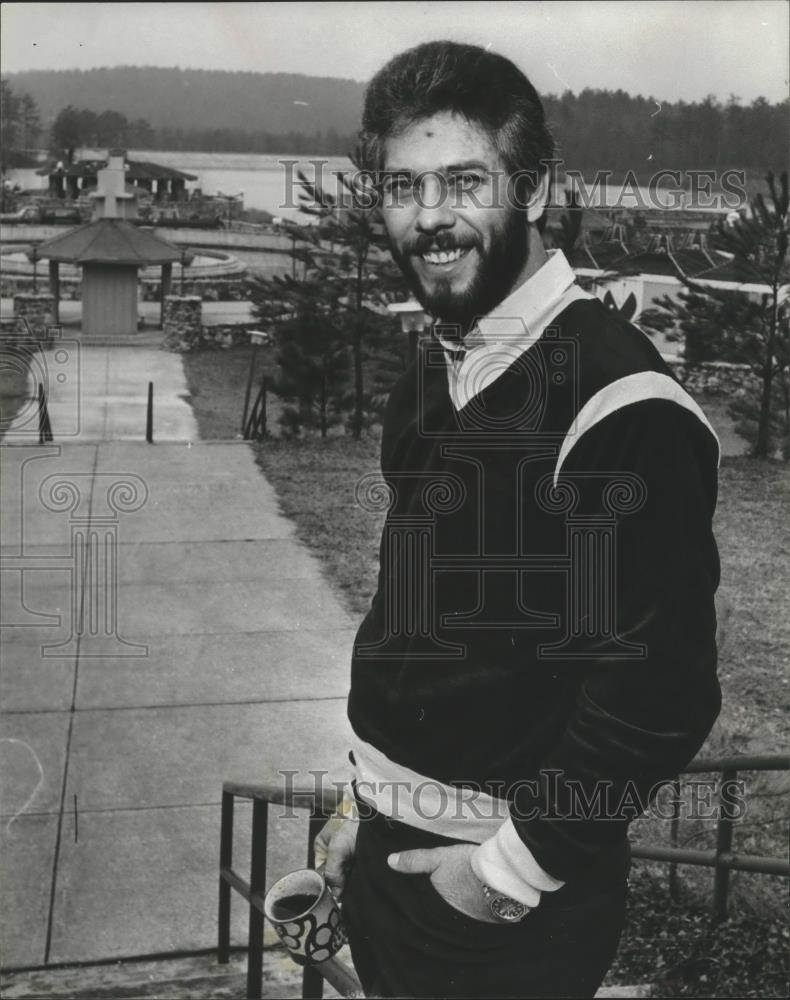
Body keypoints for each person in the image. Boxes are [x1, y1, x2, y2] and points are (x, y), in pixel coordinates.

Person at [315, 40, 721, 998]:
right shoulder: (431, 379)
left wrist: (498, 880)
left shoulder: (621, 405)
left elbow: (659, 698)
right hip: (390, 852)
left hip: (501, 909)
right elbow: (424, 639)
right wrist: (363, 805)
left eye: (465, 181)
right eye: (404, 187)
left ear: (533, 191)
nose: (430, 218)